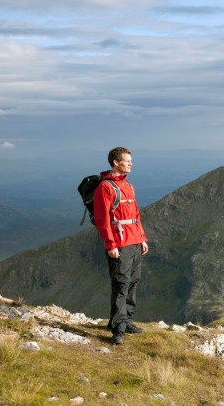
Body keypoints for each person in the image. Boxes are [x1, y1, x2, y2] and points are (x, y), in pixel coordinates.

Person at [93, 147, 148, 345]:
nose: (131, 163)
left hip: (134, 241)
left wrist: (142, 238)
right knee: (121, 284)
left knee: (133, 282)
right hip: (120, 244)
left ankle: (127, 321)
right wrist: (110, 244)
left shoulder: (129, 186)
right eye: (127, 160)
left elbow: (135, 215)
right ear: (116, 162)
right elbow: (102, 220)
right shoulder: (105, 188)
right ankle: (118, 329)